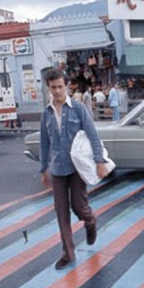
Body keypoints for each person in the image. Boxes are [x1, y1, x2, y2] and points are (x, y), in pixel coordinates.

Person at [39, 69, 109, 270]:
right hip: (57, 169)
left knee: (79, 206)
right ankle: (68, 253)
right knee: (61, 212)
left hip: (77, 168)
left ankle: (90, 221)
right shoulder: (46, 113)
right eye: (54, 87)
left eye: (61, 86)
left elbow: (93, 135)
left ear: (66, 86)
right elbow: (45, 143)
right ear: (49, 88)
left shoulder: (78, 108)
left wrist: (99, 161)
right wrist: (44, 169)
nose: (58, 91)